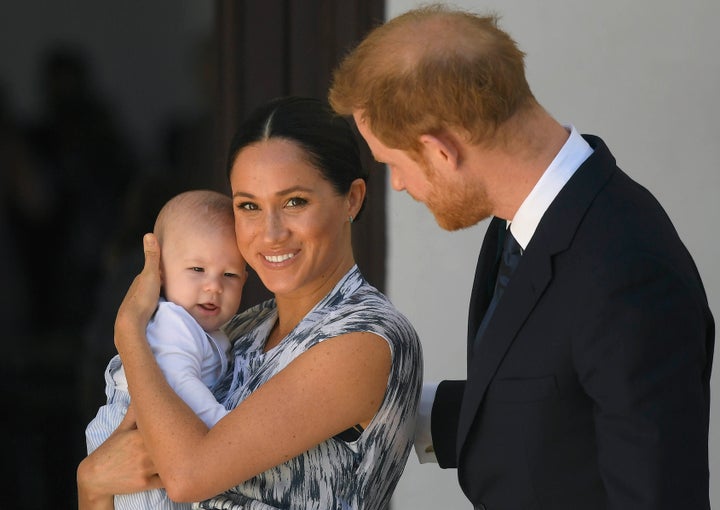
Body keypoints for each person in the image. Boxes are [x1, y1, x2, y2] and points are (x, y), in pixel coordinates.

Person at [328, 4, 714, 510]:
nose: (398, 185)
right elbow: (549, 404)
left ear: (441, 151)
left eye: (394, 165)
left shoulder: (627, 270)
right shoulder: (525, 218)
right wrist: (378, 403)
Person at [77, 96, 423, 510]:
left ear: (352, 198)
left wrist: (129, 332)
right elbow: (124, 484)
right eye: (249, 206)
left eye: (295, 201)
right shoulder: (237, 331)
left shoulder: (364, 338)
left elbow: (187, 477)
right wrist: (91, 482)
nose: (271, 233)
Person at [85, 189, 247, 509]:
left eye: (229, 275)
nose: (213, 286)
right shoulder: (173, 324)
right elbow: (181, 384)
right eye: (197, 270)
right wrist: (227, 432)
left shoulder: (210, 331)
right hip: (133, 438)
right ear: (159, 274)